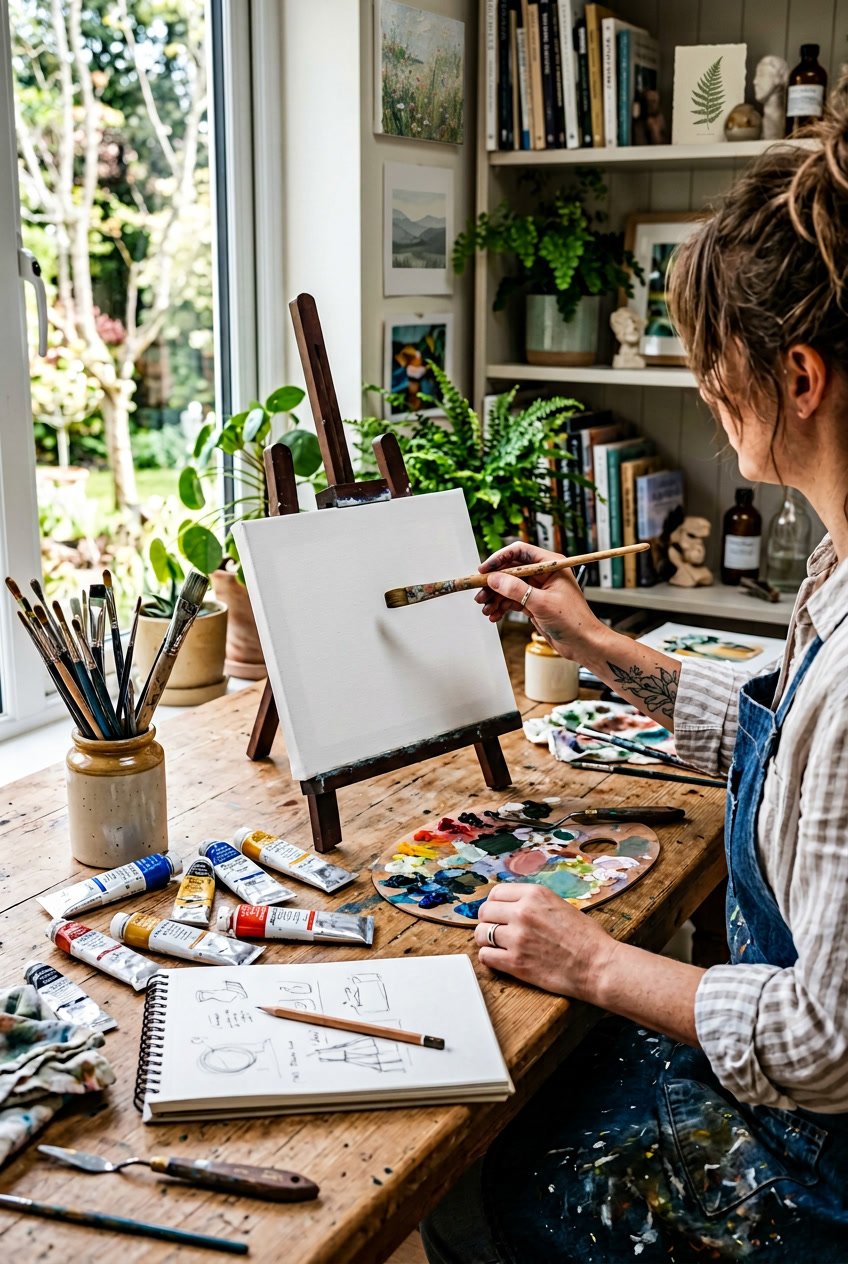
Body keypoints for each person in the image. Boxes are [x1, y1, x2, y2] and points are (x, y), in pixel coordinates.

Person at [421, 88, 848, 1262]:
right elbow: (779, 736)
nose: (706, 393)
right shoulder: (835, 568)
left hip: (820, 1172)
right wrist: (597, 645)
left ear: (796, 377)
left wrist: (594, 959)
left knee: (480, 1163)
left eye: (714, 364)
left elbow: (825, 1040)